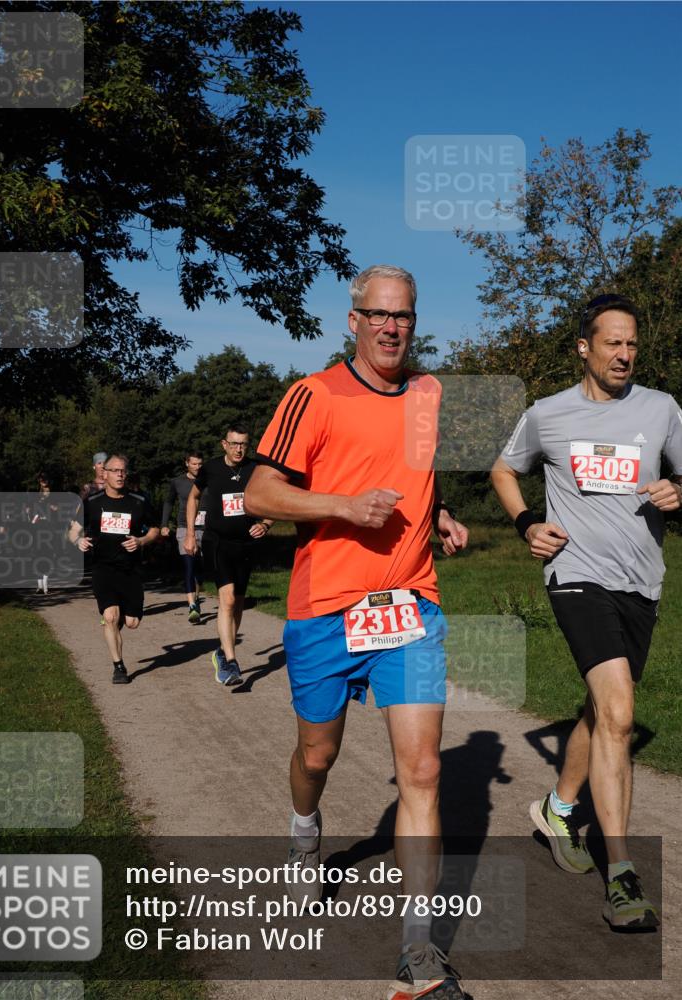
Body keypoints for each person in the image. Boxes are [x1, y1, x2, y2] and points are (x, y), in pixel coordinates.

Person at [245, 264, 470, 1000]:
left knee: (425, 770)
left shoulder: (431, 395)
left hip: (408, 603)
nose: (391, 327)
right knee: (319, 752)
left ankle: (417, 951)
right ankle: (305, 830)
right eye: (377, 314)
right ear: (353, 319)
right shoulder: (313, 394)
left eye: (403, 316)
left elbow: (412, 471)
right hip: (325, 608)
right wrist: (342, 506)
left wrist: (433, 515)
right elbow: (262, 491)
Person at [491, 292, 682, 930]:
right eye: (612, 344)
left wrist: (678, 491)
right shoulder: (548, 414)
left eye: (632, 344)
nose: (625, 355)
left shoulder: (662, 409)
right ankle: (623, 875)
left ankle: (557, 806)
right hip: (574, 575)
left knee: (603, 708)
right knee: (621, 712)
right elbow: (502, 469)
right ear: (584, 347)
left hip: (641, 583)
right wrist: (526, 524)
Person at [184, 425, 273, 687]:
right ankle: (231, 662)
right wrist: (190, 534)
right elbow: (193, 498)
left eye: (244, 444)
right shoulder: (210, 468)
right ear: (224, 444)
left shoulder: (256, 468)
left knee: (239, 602)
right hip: (218, 542)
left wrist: (266, 523)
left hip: (246, 544)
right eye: (234, 444)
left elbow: (277, 498)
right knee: (228, 598)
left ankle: (223, 650)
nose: (239, 449)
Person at [69, 453, 159, 684]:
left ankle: (119, 621)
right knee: (110, 616)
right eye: (115, 470)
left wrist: (140, 541)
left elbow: (155, 530)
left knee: (131, 623)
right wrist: (78, 540)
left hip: (130, 570)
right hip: (103, 568)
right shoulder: (91, 502)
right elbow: (72, 529)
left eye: (123, 471)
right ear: (104, 473)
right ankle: (118, 667)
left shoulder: (139, 501)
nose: (120, 474)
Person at [161, 450, 206, 623]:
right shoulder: (177, 482)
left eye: (200, 464)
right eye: (194, 464)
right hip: (184, 529)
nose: (197, 467)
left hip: (206, 528)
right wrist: (164, 524)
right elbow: (169, 502)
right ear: (187, 463)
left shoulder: (208, 480)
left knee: (200, 570)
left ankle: (196, 595)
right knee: (189, 566)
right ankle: (192, 606)